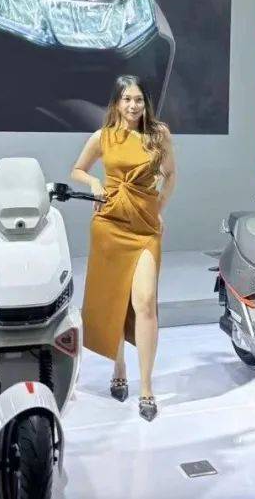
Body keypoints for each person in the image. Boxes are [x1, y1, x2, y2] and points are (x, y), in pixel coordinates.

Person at [71, 75, 176, 423]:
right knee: (114, 298)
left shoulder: (159, 134)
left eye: (139, 100)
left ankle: (146, 386)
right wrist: (94, 181)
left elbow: (171, 175)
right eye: (127, 99)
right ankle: (118, 365)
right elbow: (77, 170)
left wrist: (157, 210)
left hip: (145, 227)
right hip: (110, 223)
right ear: (117, 103)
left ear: (146, 103)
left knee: (145, 301)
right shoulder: (103, 136)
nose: (133, 105)